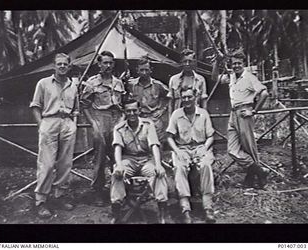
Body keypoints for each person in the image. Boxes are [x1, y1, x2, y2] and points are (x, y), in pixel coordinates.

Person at [30, 53, 79, 218]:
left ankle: (60, 196)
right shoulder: (43, 83)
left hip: (67, 124)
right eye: (59, 64)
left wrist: (73, 124)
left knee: (65, 164)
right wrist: (41, 125)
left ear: (69, 66)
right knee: (47, 164)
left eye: (65, 64)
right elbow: (35, 106)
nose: (63, 66)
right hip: (49, 123)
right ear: (54, 66)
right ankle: (41, 201)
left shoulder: (73, 85)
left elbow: (76, 108)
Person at [110, 99, 168, 224]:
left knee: (158, 174)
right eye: (128, 111)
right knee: (117, 174)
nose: (131, 113)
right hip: (128, 159)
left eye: (134, 110)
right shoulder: (119, 128)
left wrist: (158, 164)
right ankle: (116, 211)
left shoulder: (148, 125)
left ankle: (161, 212)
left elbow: (154, 145)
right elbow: (118, 148)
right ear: (124, 112)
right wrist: (119, 165)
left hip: (146, 159)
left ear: (139, 110)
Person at [80, 51, 125, 205]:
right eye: (105, 62)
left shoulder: (118, 83)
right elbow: (84, 105)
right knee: (99, 158)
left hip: (117, 120)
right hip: (100, 118)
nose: (108, 66)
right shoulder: (92, 83)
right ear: (99, 64)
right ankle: (98, 191)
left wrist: (121, 122)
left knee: (118, 156)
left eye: (111, 63)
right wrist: (93, 123)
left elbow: (123, 104)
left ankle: (117, 191)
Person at [167, 88, 216, 224]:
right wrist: (177, 151)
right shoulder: (177, 114)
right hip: (182, 148)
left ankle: (208, 208)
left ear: (196, 97)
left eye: (189, 97)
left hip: (200, 146)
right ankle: (185, 209)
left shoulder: (203, 113)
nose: (187, 100)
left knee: (206, 165)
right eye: (184, 97)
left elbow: (211, 136)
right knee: (180, 167)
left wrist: (205, 148)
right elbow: (170, 137)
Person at [221, 51, 269, 189]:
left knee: (249, 147)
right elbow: (214, 77)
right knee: (232, 149)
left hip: (244, 113)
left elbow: (264, 93)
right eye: (234, 63)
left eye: (239, 63)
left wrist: (253, 111)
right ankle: (261, 172)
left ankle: (255, 180)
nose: (236, 66)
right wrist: (216, 63)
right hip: (233, 114)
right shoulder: (231, 77)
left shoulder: (249, 77)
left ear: (244, 64)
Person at [126, 56, 169, 146]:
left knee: (157, 144)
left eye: (146, 70)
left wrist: (162, 109)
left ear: (150, 70)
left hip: (154, 118)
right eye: (141, 70)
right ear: (137, 70)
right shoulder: (131, 84)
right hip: (138, 118)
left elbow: (169, 97)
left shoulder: (158, 85)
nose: (144, 73)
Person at [168, 49, 208, 117]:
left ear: (194, 62)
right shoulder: (174, 79)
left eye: (190, 61)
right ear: (181, 62)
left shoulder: (200, 79)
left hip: (195, 117)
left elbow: (203, 102)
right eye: (185, 61)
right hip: (179, 116)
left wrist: (204, 118)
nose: (187, 64)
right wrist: (171, 121)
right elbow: (171, 103)